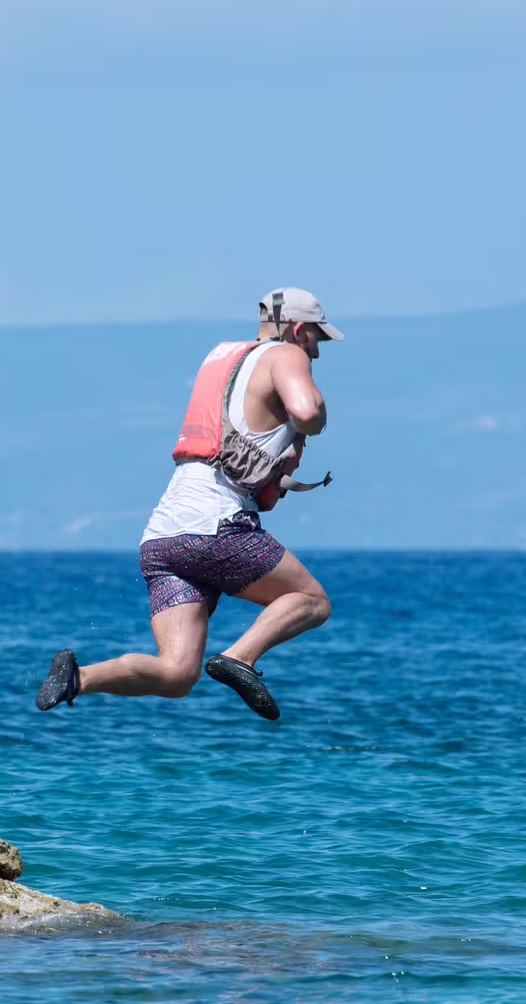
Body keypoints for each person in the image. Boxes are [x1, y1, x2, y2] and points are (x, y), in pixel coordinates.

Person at [37, 287, 342, 721]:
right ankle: (240, 658)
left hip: (163, 537)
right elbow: (308, 412)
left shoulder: (221, 357)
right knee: (311, 600)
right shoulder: (286, 354)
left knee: (177, 675)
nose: (317, 351)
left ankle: (78, 678)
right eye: (316, 337)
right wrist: (315, 423)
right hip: (215, 524)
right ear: (297, 329)